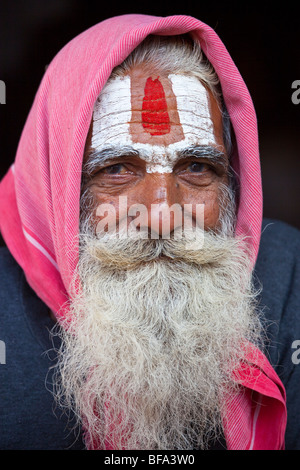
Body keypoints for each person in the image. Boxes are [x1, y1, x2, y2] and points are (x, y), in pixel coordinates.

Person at [0, 13, 299, 451]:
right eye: (117, 169)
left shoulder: (290, 273)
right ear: (56, 184)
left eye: (197, 168)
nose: (162, 215)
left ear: (233, 177)